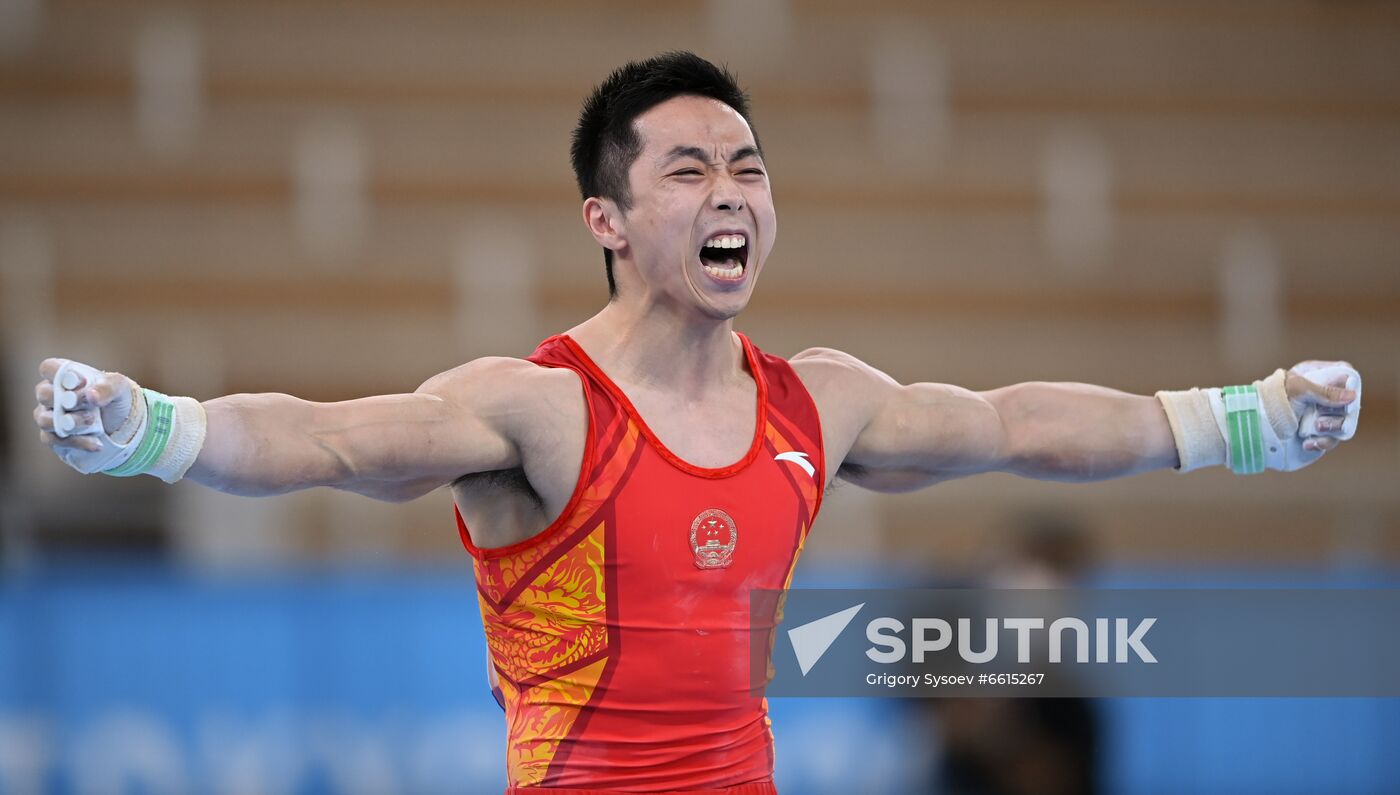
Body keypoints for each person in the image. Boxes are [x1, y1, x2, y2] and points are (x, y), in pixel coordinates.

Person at [32, 51, 1360, 795]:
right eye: (689, 169)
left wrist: (1237, 422)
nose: (732, 192)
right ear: (606, 220)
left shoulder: (815, 401)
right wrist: (156, 433)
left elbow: (1015, 423)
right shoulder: (541, 409)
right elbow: (327, 441)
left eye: (750, 168)